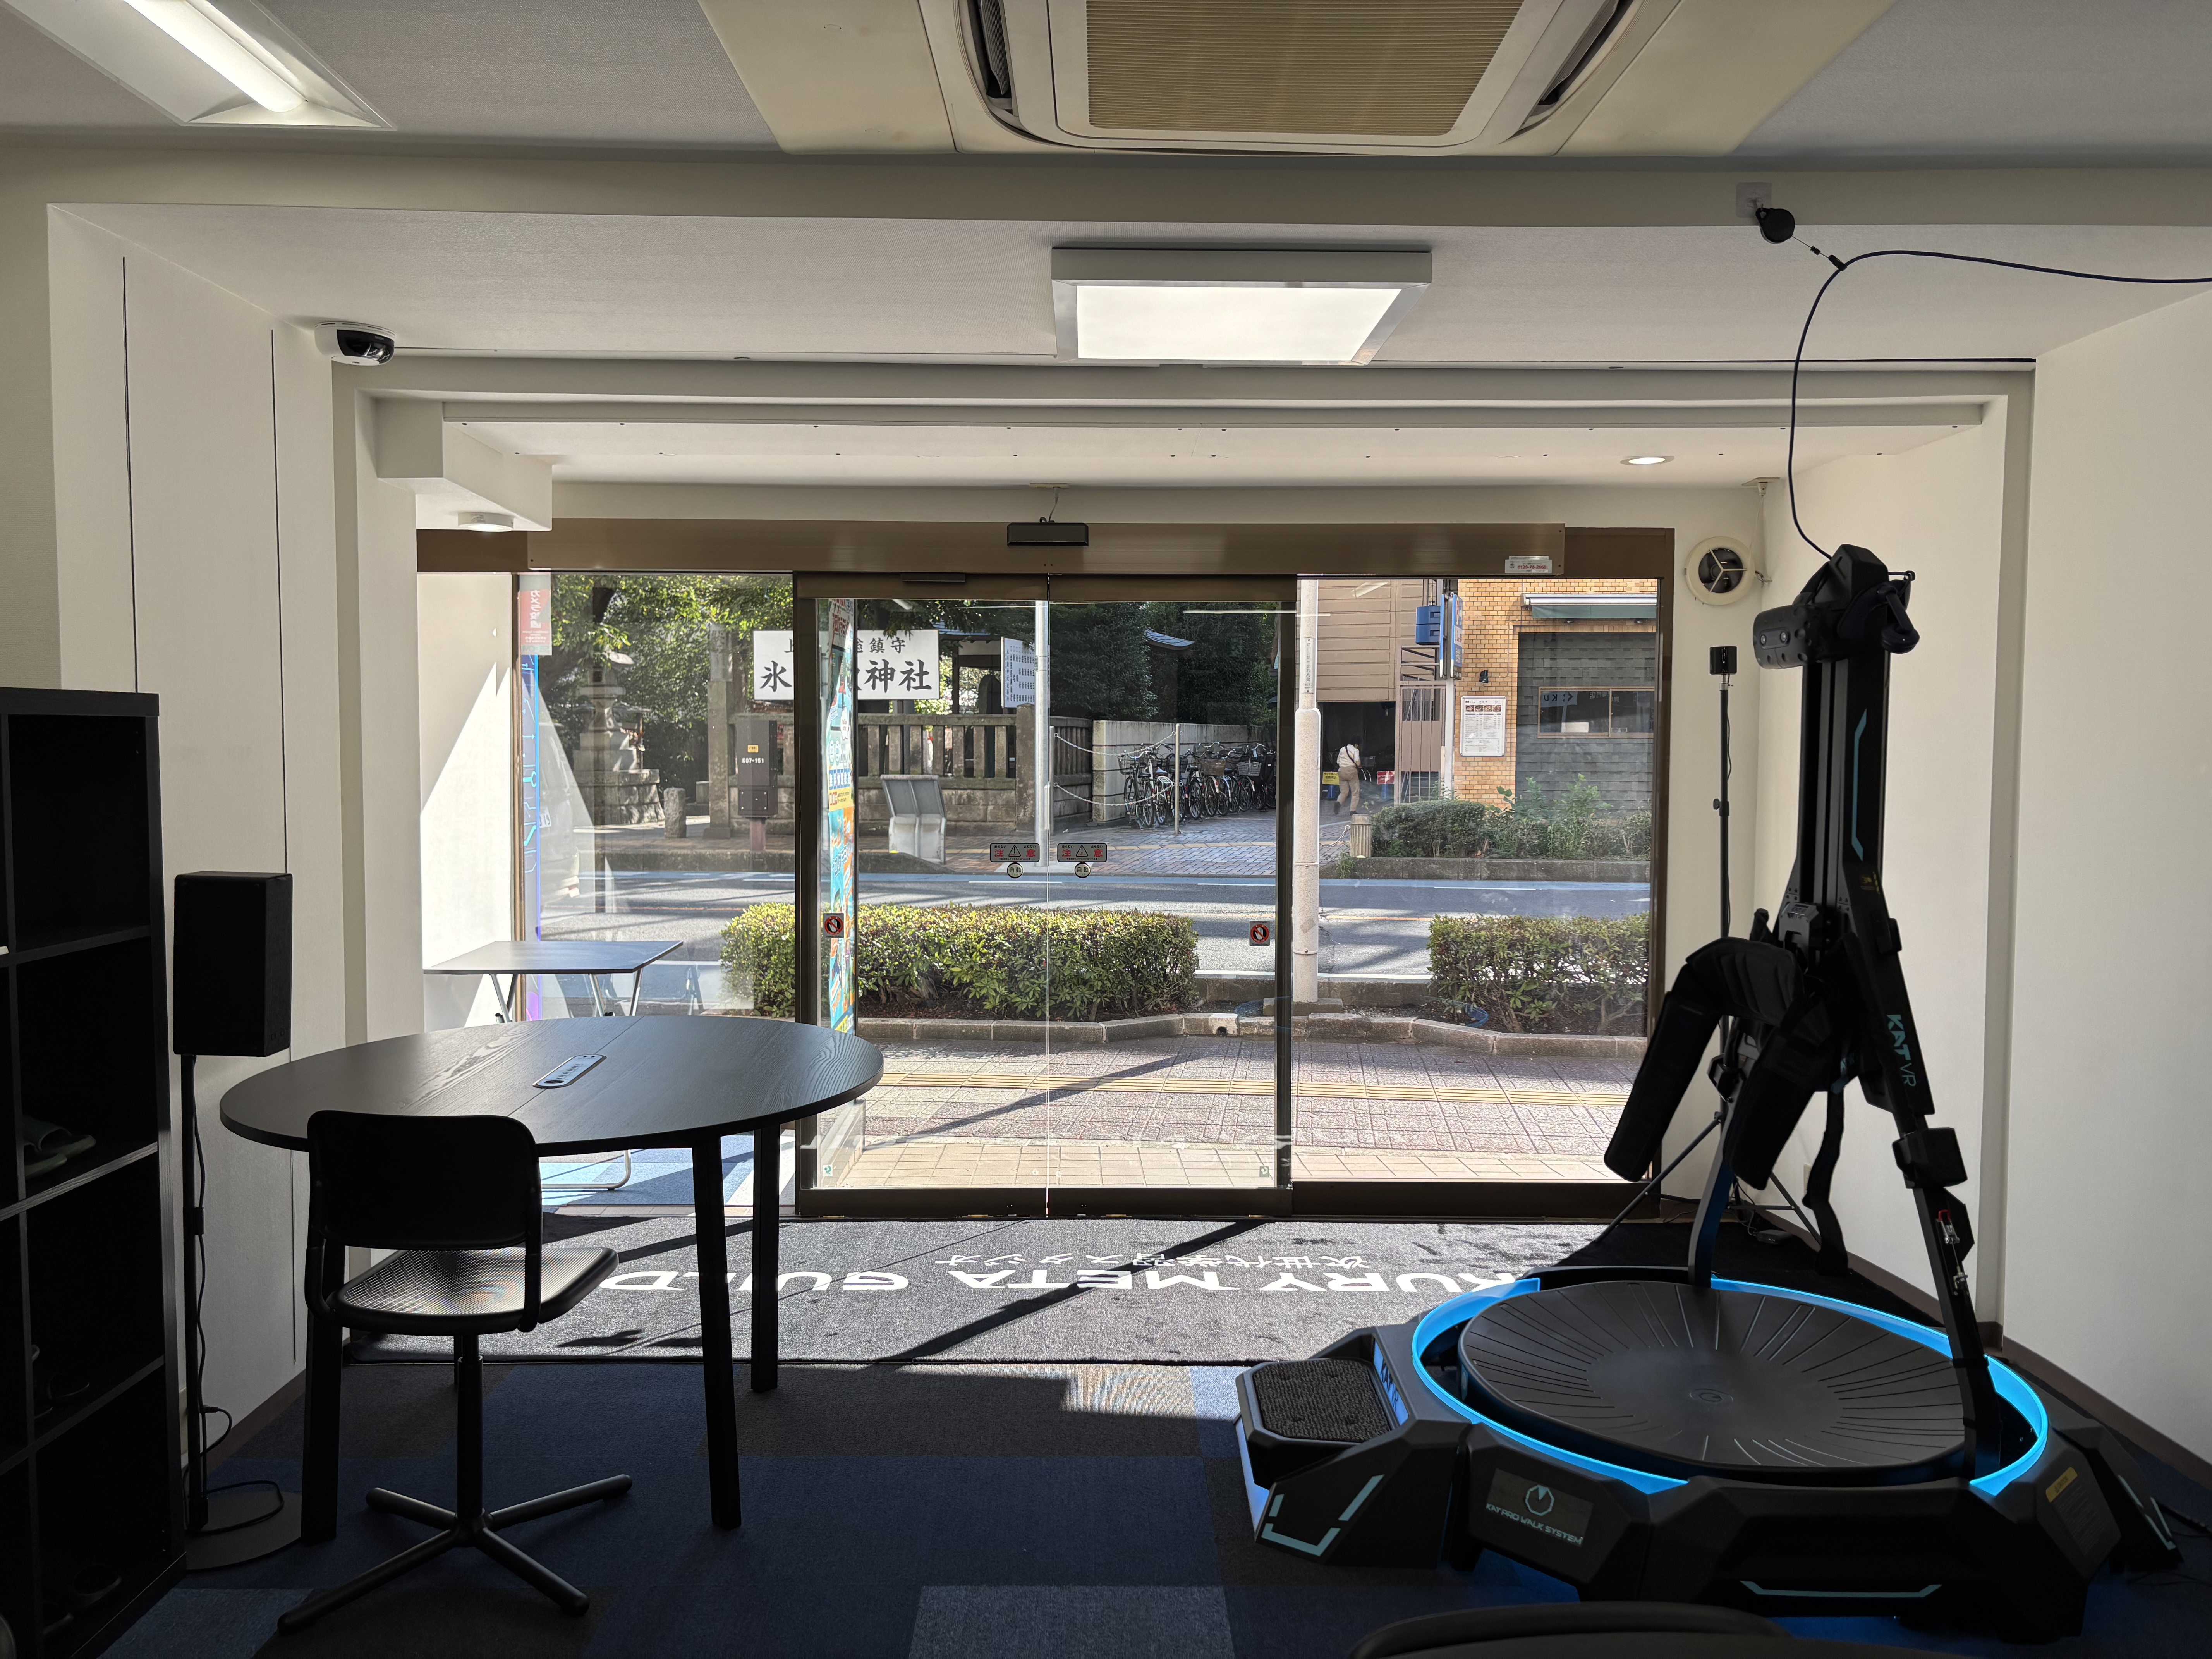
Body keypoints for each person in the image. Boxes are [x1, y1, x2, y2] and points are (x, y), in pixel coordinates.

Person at [1335, 738, 1363, 816]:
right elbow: (1357, 761)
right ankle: (1352, 811)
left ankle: (1338, 803)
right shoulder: (1355, 750)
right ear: (1356, 745)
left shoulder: (1343, 749)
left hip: (1341, 771)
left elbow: (1338, 761)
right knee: (1355, 792)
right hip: (1351, 771)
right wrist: (1360, 766)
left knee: (1344, 792)